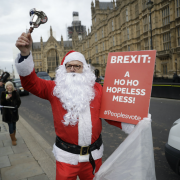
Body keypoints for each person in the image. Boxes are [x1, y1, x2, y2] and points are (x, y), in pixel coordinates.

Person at [15, 33, 135, 180]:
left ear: (83, 69)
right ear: (64, 68)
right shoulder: (55, 88)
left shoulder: (97, 88)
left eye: (77, 66)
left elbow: (110, 114)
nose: (72, 69)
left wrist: (134, 120)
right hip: (66, 158)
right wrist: (25, 53)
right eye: (69, 66)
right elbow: (30, 83)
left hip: (93, 157)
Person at [0, 81, 21, 146]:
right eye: (8, 86)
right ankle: (13, 140)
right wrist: (6, 98)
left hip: (14, 112)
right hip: (7, 113)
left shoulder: (15, 93)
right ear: (6, 87)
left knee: (14, 125)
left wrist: (17, 106)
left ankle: (14, 136)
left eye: (10, 85)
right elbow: (1, 103)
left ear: (12, 86)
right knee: (10, 125)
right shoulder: (4, 93)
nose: (9, 87)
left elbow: (19, 101)